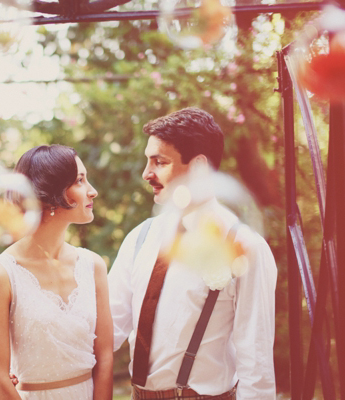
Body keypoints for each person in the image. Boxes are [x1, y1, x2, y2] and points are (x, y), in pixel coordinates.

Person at [108, 107, 277, 399]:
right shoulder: (140, 237)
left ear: (198, 166)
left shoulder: (244, 246)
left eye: (159, 162)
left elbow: (256, 361)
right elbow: (108, 328)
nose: (146, 173)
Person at [0, 144, 114, 400]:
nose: (92, 191)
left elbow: (105, 357)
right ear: (50, 193)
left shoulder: (93, 265)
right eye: (80, 180)